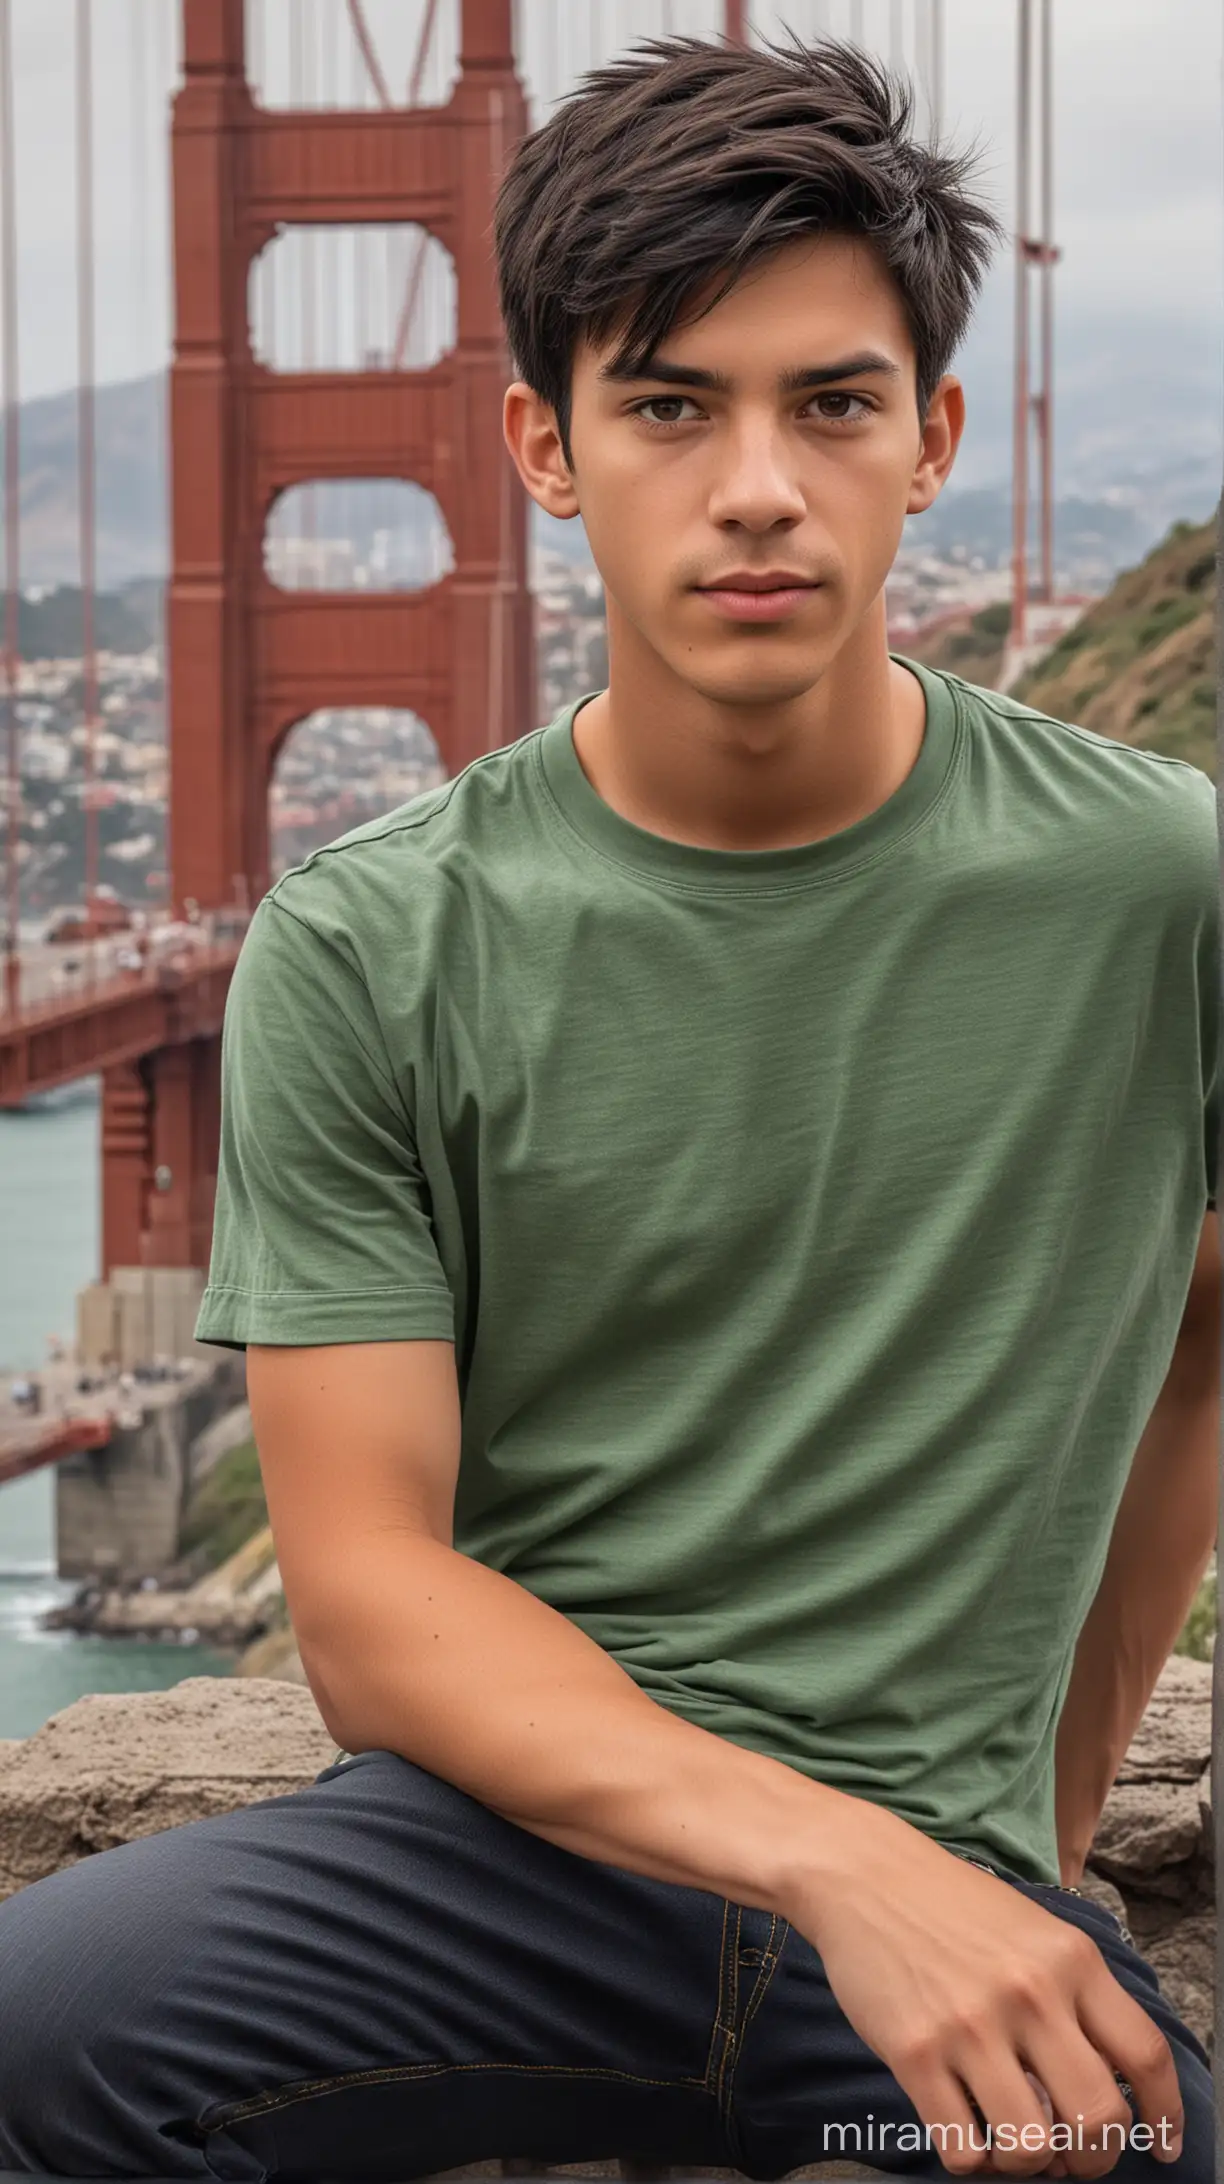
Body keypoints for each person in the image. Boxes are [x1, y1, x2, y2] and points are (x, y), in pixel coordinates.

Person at [0, 31, 1218, 2184]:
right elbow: (367, 1600)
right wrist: (841, 1862)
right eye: (668, 404)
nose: (757, 483)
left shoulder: (1159, 890)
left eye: (832, 403)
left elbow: (1206, 1331)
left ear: (928, 439)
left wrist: (1023, 1831)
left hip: (940, 1917)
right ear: (542, 449)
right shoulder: (375, 941)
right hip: (499, 1871)